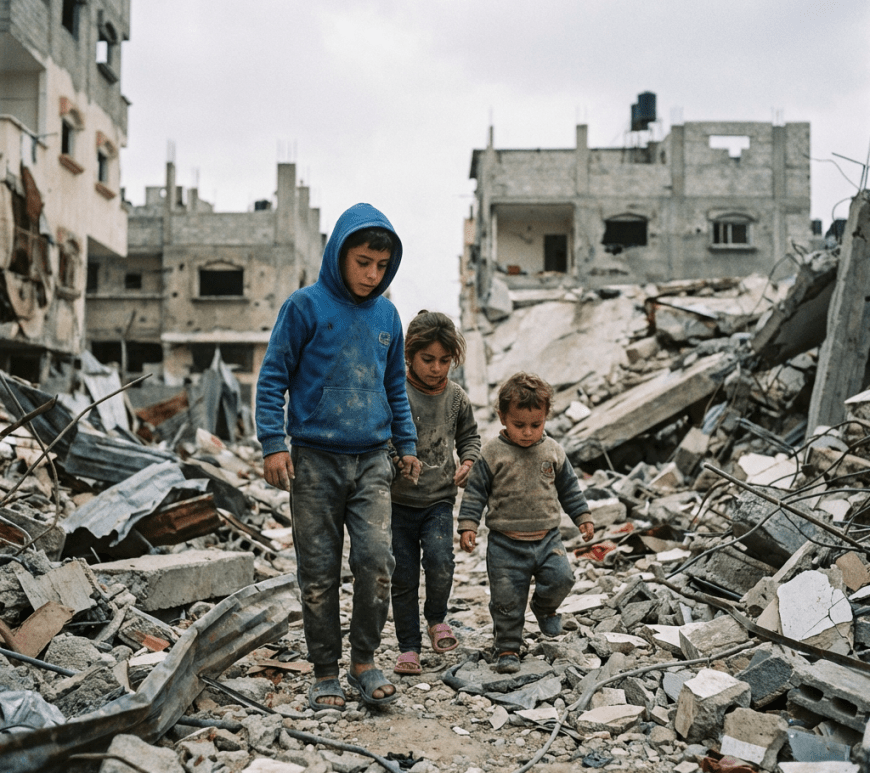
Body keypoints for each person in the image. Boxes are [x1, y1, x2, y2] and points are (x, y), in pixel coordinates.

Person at [256, 202, 421, 710]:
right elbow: (273, 376)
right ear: (338, 255)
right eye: (363, 262)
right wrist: (273, 444)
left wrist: (407, 444)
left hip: (372, 460)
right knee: (320, 571)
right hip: (314, 461)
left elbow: (396, 386)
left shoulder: (388, 315)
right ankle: (325, 670)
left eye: (381, 266)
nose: (372, 275)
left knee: (376, 562)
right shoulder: (304, 307)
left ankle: (364, 663)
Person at [457, 372, 594, 674]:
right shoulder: (492, 453)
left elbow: (570, 488)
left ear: (546, 417)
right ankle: (507, 646)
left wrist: (583, 517)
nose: (528, 432)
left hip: (547, 539)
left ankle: (544, 607)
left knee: (562, 578)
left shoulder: (553, 451)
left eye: (536, 424)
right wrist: (468, 525)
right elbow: (476, 491)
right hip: (505, 543)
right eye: (519, 425)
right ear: (503, 417)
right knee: (506, 599)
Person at [390, 311, 481, 676]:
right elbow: (383, 436)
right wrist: (396, 459)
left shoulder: (457, 398)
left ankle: (437, 619)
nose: (437, 368)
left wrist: (469, 461)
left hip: (439, 500)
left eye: (445, 361)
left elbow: (469, 437)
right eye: (428, 360)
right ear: (409, 355)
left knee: (441, 561)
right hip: (397, 502)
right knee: (403, 574)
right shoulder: (396, 392)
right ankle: (408, 646)